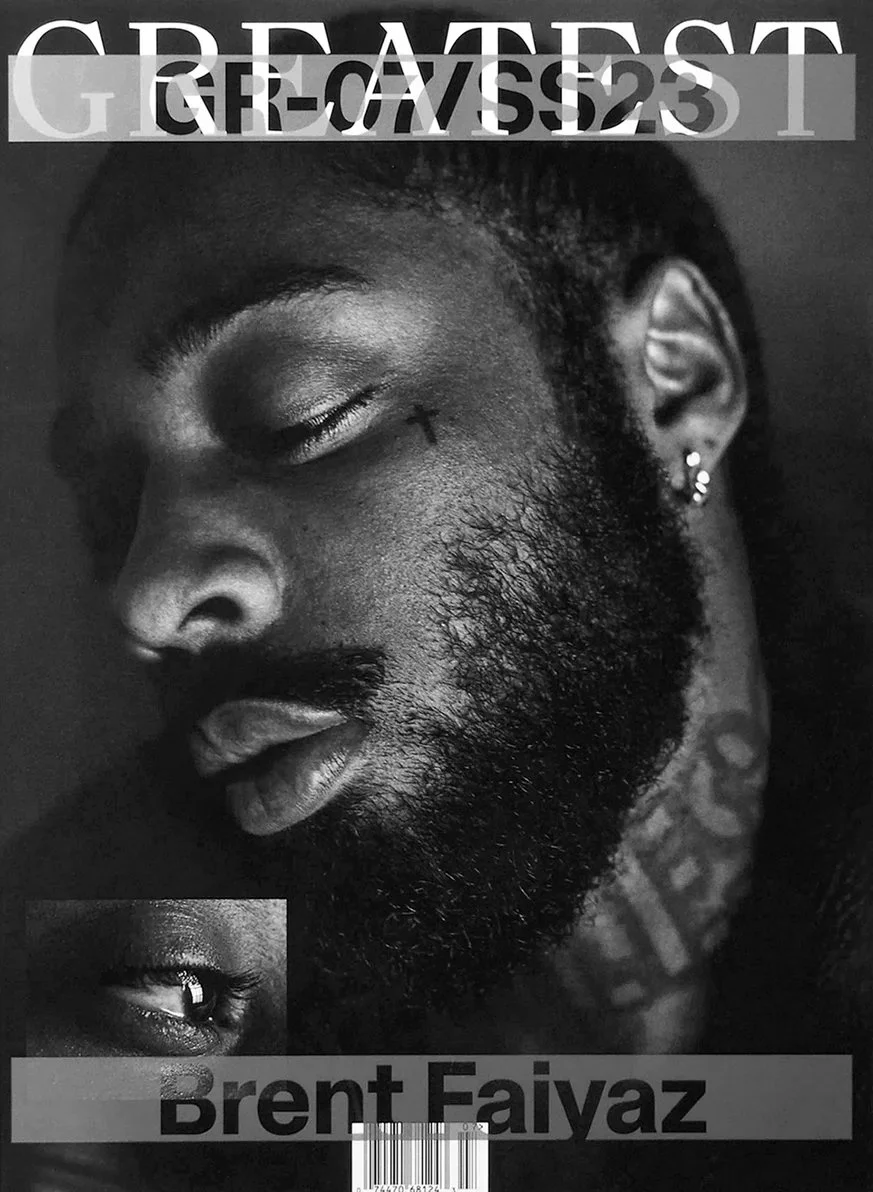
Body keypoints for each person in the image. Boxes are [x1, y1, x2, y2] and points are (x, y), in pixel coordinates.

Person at [2, 121, 869, 1192]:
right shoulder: (118, 955)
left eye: (300, 411)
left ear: (675, 380)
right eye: (109, 503)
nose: (146, 597)